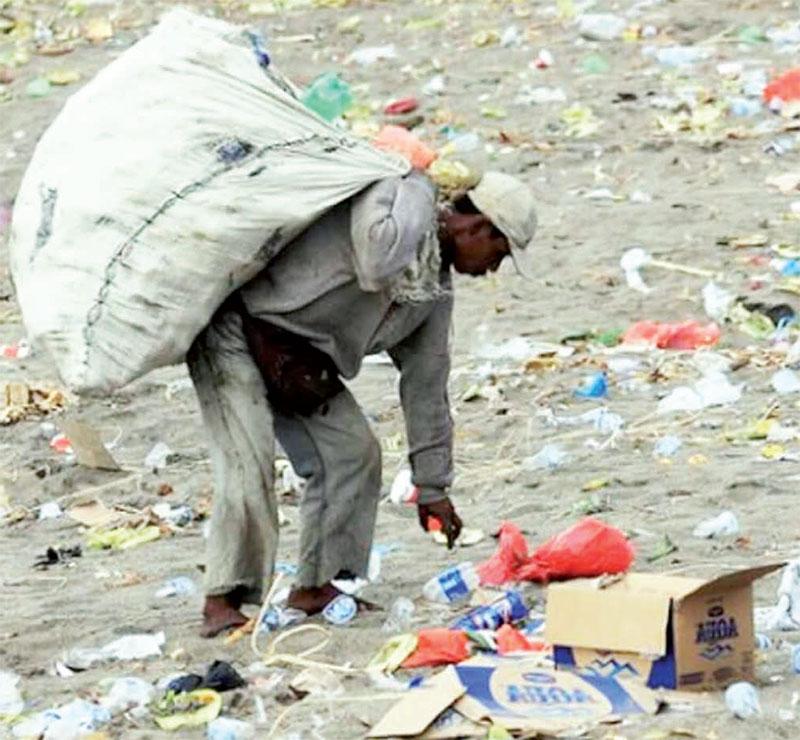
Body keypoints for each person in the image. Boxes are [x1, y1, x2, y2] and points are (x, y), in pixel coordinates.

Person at [187, 169, 537, 637]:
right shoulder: (395, 204)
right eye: (499, 251)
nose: (494, 268)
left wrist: (432, 486)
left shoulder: (433, 293)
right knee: (246, 463)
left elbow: (427, 386)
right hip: (237, 330)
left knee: (353, 453)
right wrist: (418, 182)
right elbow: (377, 259)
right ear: (475, 227)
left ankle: (318, 585)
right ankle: (224, 598)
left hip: (298, 364)